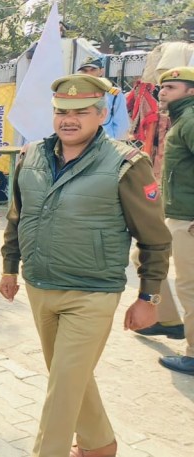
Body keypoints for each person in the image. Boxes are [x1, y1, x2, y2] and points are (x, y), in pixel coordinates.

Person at [0, 74, 171, 457]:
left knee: (62, 388)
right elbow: (17, 217)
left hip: (92, 293)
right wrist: (10, 267)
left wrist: (149, 296)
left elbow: (155, 237)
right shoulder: (30, 156)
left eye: (81, 111)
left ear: (101, 114)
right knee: (69, 378)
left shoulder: (126, 164)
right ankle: (99, 445)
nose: (69, 120)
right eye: (62, 112)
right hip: (40, 286)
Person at [154, 67, 194, 376]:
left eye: (171, 87)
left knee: (189, 286)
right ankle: (167, 320)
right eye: (162, 87)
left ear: (191, 92)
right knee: (146, 258)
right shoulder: (181, 119)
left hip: (189, 219)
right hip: (176, 214)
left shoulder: (190, 120)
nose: (163, 92)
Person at [76, 56, 131, 141]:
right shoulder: (75, 93)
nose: (89, 74)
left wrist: (115, 144)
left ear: (101, 71)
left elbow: (121, 124)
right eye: (85, 71)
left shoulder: (113, 94)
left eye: (93, 70)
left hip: (105, 141)